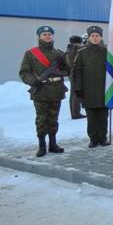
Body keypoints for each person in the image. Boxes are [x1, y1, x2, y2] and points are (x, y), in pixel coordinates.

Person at [19, 26, 69, 157]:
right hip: (40, 90)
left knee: (54, 119)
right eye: (44, 34)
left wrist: (64, 62)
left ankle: (53, 144)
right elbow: (24, 72)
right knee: (41, 120)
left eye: (49, 34)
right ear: (39, 37)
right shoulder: (30, 53)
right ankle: (42, 145)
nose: (47, 36)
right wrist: (33, 81)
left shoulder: (58, 53)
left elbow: (68, 71)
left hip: (56, 90)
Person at [72, 26, 110, 147]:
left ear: (101, 37)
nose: (95, 38)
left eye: (97, 36)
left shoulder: (108, 52)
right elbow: (77, 72)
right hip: (88, 90)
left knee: (103, 116)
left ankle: (103, 137)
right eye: (92, 36)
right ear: (89, 37)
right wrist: (78, 88)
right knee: (92, 117)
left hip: (104, 89)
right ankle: (93, 139)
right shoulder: (82, 53)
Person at [65, 35, 86, 119]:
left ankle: (74, 112)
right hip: (75, 74)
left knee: (73, 93)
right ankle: (76, 113)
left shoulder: (69, 49)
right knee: (76, 94)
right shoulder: (75, 50)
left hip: (72, 74)